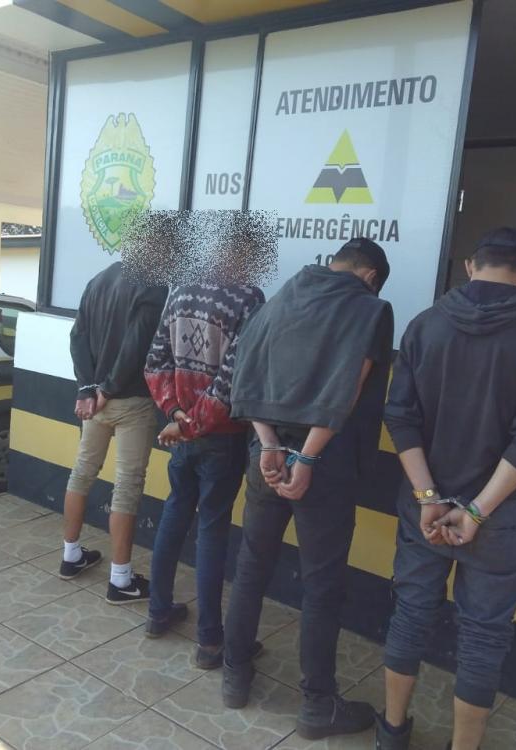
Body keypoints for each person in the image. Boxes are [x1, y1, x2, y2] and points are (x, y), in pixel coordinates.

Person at [379, 227, 516, 750]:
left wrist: (428, 498)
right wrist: (477, 511)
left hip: (424, 510)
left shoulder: (425, 325)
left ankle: (391, 733)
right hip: (501, 516)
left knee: (411, 613)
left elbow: (400, 417)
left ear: (470, 265)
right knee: (483, 638)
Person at [223, 237, 394, 741]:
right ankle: (318, 704)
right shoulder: (371, 309)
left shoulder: (281, 298)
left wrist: (269, 444)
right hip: (324, 463)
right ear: (370, 276)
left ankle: (234, 674)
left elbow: (245, 375)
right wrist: (308, 456)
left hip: (267, 453)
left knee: (252, 564)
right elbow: (348, 387)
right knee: (321, 584)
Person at [142, 247, 266, 668]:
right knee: (212, 530)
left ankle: (158, 611)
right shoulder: (248, 298)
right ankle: (210, 642)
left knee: (175, 512)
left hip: (182, 431)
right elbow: (232, 379)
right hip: (221, 437)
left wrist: (177, 415)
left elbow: (154, 363)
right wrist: (192, 423)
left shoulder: (181, 290)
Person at [60, 261, 167, 605]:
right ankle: (120, 580)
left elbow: (77, 337)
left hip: (94, 402)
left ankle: (71, 556)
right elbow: (135, 345)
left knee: (82, 472)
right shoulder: (152, 284)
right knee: (127, 485)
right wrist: (107, 388)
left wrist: (87, 389)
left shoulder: (99, 279)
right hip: (129, 400)